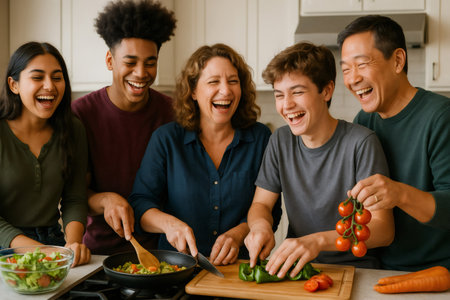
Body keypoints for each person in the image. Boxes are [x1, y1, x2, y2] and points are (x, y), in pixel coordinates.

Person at [244, 42, 394, 279]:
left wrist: (317, 242)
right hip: (297, 270)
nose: (286, 105)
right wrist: (260, 226)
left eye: (297, 92)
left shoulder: (361, 142)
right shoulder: (280, 140)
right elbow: (261, 205)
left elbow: (383, 228)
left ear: (326, 91)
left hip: (357, 272)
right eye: (279, 95)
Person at [129, 43, 281, 265]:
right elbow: (140, 203)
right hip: (176, 267)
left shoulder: (260, 138)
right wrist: (168, 224)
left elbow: (270, 210)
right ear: (192, 91)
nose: (226, 90)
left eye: (233, 81)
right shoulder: (167, 139)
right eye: (213, 82)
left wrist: (238, 235)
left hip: (240, 269)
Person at [338, 15, 450, 271]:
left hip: (437, 274)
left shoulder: (440, 117)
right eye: (345, 69)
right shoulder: (364, 120)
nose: (352, 79)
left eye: (362, 64)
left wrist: (398, 193)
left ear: (398, 60)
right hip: (380, 270)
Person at [71, 0, 177, 255]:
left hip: (163, 252)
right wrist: (106, 199)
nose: (141, 73)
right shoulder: (81, 114)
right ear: (110, 60)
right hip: (97, 254)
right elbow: (71, 195)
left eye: (150, 62)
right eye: (130, 62)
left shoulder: (173, 113)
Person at [0, 42, 90, 266]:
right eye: (38, 77)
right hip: (5, 249)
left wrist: (74, 244)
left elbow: (75, 198)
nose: (49, 86)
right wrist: (41, 251)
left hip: (54, 242)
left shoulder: (73, 129)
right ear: (14, 85)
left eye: (57, 77)